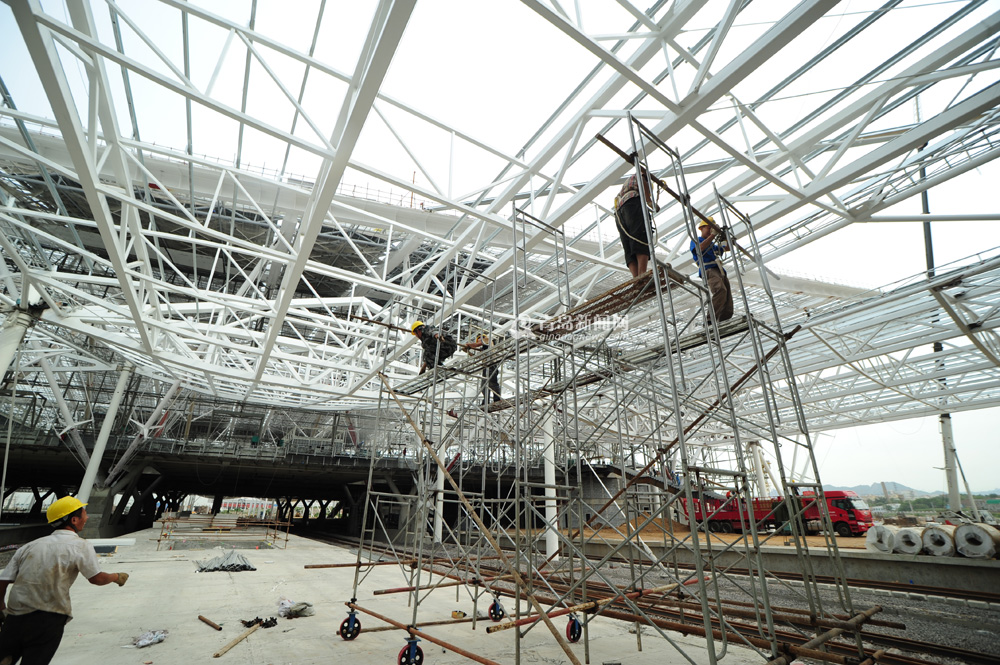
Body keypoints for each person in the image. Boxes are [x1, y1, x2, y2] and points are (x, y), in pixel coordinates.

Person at [0, 496, 129, 665]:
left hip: (15, 618)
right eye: (84, 514)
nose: (87, 517)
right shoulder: (80, 545)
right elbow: (96, 578)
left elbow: (3, 579)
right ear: (74, 520)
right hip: (49, 618)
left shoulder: (29, 546)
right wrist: (116, 577)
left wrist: (1, 607)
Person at [614, 165, 658, 278]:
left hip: (619, 212)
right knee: (640, 236)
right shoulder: (640, 177)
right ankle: (642, 273)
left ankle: (636, 278)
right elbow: (642, 179)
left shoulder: (624, 189)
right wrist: (649, 200)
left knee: (628, 243)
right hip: (632, 203)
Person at [690, 218, 734, 323]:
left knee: (727, 296)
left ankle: (723, 319)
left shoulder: (712, 245)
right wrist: (713, 235)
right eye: (709, 228)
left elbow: (725, 248)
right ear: (701, 228)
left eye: (712, 229)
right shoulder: (696, 240)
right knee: (720, 289)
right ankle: (710, 319)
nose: (710, 230)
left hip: (719, 270)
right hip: (709, 269)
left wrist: (724, 239)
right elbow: (700, 249)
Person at [465, 332, 501, 405]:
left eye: (479, 339)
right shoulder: (484, 349)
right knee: (484, 385)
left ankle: (497, 399)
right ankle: (486, 401)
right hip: (486, 365)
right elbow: (477, 357)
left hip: (491, 364)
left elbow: (477, 344)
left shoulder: (487, 339)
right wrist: (468, 352)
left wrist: (469, 345)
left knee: (492, 383)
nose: (478, 341)